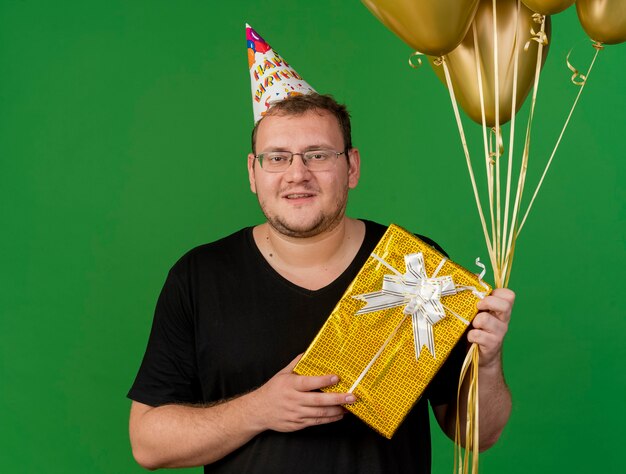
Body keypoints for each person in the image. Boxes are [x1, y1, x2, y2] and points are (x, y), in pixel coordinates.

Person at [127, 92, 514, 473]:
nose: (297, 174)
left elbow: (478, 436)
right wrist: (259, 409)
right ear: (253, 172)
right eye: (277, 157)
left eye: (318, 155)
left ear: (352, 166)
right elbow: (148, 444)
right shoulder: (199, 276)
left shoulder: (413, 266)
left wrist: (489, 362)